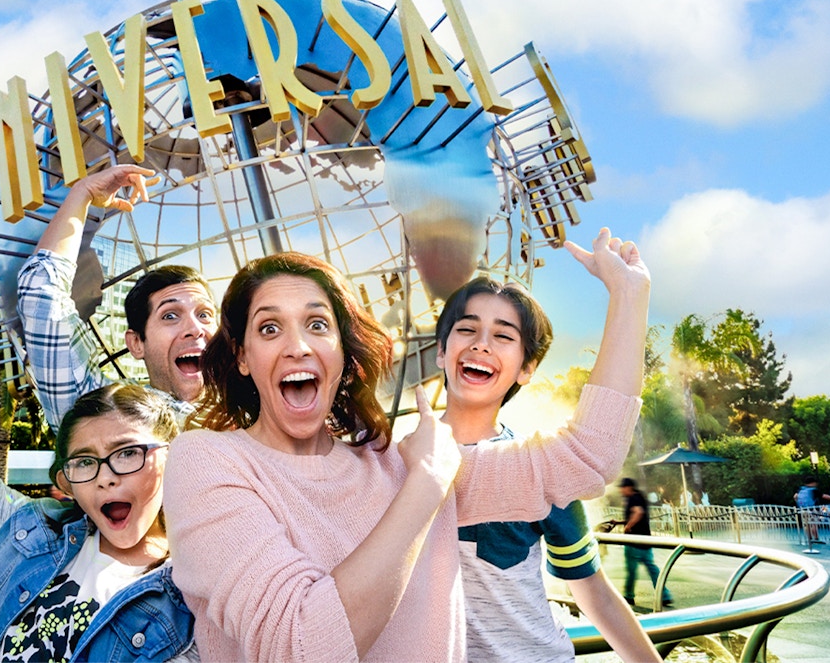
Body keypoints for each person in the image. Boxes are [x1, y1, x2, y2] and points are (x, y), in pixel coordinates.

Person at [163, 229, 646, 661]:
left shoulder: (393, 462)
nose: (298, 347)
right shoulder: (207, 460)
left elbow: (588, 458)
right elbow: (302, 646)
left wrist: (629, 296)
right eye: (270, 328)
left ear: (344, 356)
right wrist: (427, 485)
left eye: (317, 325)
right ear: (243, 357)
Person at [0, 290, 193, 661]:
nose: (105, 478)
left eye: (127, 453)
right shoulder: (29, 536)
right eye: (84, 461)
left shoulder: (195, 590)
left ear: (174, 459)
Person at [434, 275, 658, 662]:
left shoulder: (541, 469)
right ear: (441, 351)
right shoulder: (393, 464)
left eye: (504, 337)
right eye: (467, 328)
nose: (481, 343)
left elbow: (593, 591)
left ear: (527, 368)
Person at [17, 164, 217, 429]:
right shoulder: (110, 418)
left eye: (204, 314)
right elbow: (39, 292)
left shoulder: (265, 408)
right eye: (170, 315)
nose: (195, 329)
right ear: (136, 343)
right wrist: (82, 194)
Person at [619, 477, 674, 608]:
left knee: (631, 570)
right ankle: (664, 594)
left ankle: (628, 595)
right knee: (652, 568)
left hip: (634, 541)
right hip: (645, 540)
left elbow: (638, 513)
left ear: (628, 487)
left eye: (622, 488)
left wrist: (627, 527)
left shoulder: (633, 498)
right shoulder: (640, 497)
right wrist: (619, 522)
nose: (621, 490)